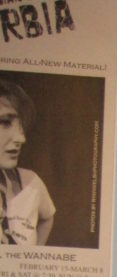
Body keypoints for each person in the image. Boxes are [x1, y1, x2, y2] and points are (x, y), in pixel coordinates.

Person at [0, 77, 55, 245]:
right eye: (5, 122)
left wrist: (33, 260)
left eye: (21, 126)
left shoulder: (30, 183)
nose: (21, 138)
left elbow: (47, 218)